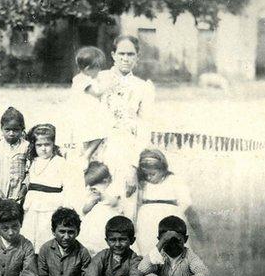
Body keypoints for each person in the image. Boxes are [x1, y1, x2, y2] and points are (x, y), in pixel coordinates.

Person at [98, 35, 157, 202]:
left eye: (131, 54)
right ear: (113, 55)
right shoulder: (99, 79)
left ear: (137, 57)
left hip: (127, 153)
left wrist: (133, 166)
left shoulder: (143, 87)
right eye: (121, 53)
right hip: (99, 151)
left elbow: (145, 128)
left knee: (125, 205)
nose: (125, 58)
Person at [133, 148, 200, 259]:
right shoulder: (142, 183)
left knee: (173, 252)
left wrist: (172, 214)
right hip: (146, 223)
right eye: (146, 175)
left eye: (152, 174)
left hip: (169, 222)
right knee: (149, 251)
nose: (149, 177)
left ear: (162, 169)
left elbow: (186, 202)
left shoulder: (174, 180)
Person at [0, 106, 30, 241]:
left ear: (22, 130)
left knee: (15, 229)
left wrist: (23, 189)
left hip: (18, 196)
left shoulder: (26, 146)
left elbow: (29, 172)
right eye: (7, 130)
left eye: (15, 130)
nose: (11, 133)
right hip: (0, 196)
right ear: (2, 129)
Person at [20, 124, 69, 247]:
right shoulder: (32, 161)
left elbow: (67, 186)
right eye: (39, 145)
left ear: (53, 144)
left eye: (47, 145)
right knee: (30, 236)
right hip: (33, 204)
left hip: (51, 205)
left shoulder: (60, 162)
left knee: (46, 236)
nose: (43, 149)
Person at [64, 46, 110, 167]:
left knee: (91, 136)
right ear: (88, 68)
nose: (99, 71)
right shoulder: (82, 80)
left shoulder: (82, 78)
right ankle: (87, 155)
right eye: (97, 68)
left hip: (86, 114)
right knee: (101, 133)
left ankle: (85, 157)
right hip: (86, 114)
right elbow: (97, 93)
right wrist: (109, 86)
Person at [78, 161, 122, 255]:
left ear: (105, 181)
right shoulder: (91, 193)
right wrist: (92, 202)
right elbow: (84, 210)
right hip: (92, 224)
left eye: (94, 185)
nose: (92, 188)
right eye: (90, 185)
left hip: (107, 222)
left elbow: (114, 202)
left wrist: (102, 194)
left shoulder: (111, 190)